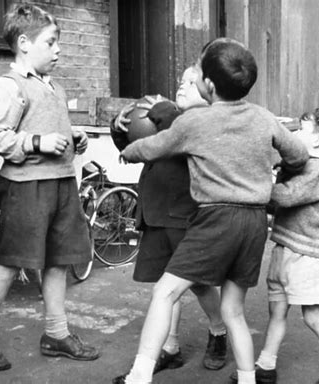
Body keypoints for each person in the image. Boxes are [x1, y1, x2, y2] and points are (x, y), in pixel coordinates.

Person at [113, 38, 309, 384]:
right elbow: (298, 155)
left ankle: (138, 377)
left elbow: (152, 147)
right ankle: (248, 379)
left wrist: (128, 151)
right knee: (233, 310)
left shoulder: (195, 122)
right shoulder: (263, 118)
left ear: (210, 85)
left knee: (165, 292)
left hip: (216, 218)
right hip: (254, 223)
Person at [0, 4, 100, 370]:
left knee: (58, 261)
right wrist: (35, 143)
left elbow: (47, 124)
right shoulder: (9, 85)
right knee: (12, 263)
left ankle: (56, 334)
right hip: (26, 189)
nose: (58, 50)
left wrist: (74, 136)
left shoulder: (54, 85)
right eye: (51, 42)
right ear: (24, 43)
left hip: (61, 184)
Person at [111, 66, 228, 377]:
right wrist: (121, 126)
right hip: (156, 211)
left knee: (199, 284)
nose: (182, 86)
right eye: (180, 81)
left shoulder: (200, 120)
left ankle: (218, 330)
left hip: (185, 214)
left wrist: (159, 109)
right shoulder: (169, 118)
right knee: (165, 281)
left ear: (209, 91)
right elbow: (132, 147)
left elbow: (174, 124)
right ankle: (171, 347)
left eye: (191, 82)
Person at [233, 109, 319, 384]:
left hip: (308, 255)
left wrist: (253, 182)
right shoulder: (303, 164)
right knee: (276, 312)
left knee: (313, 317)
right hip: (284, 249)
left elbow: (286, 197)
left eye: (301, 130)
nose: (293, 136)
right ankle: (266, 364)